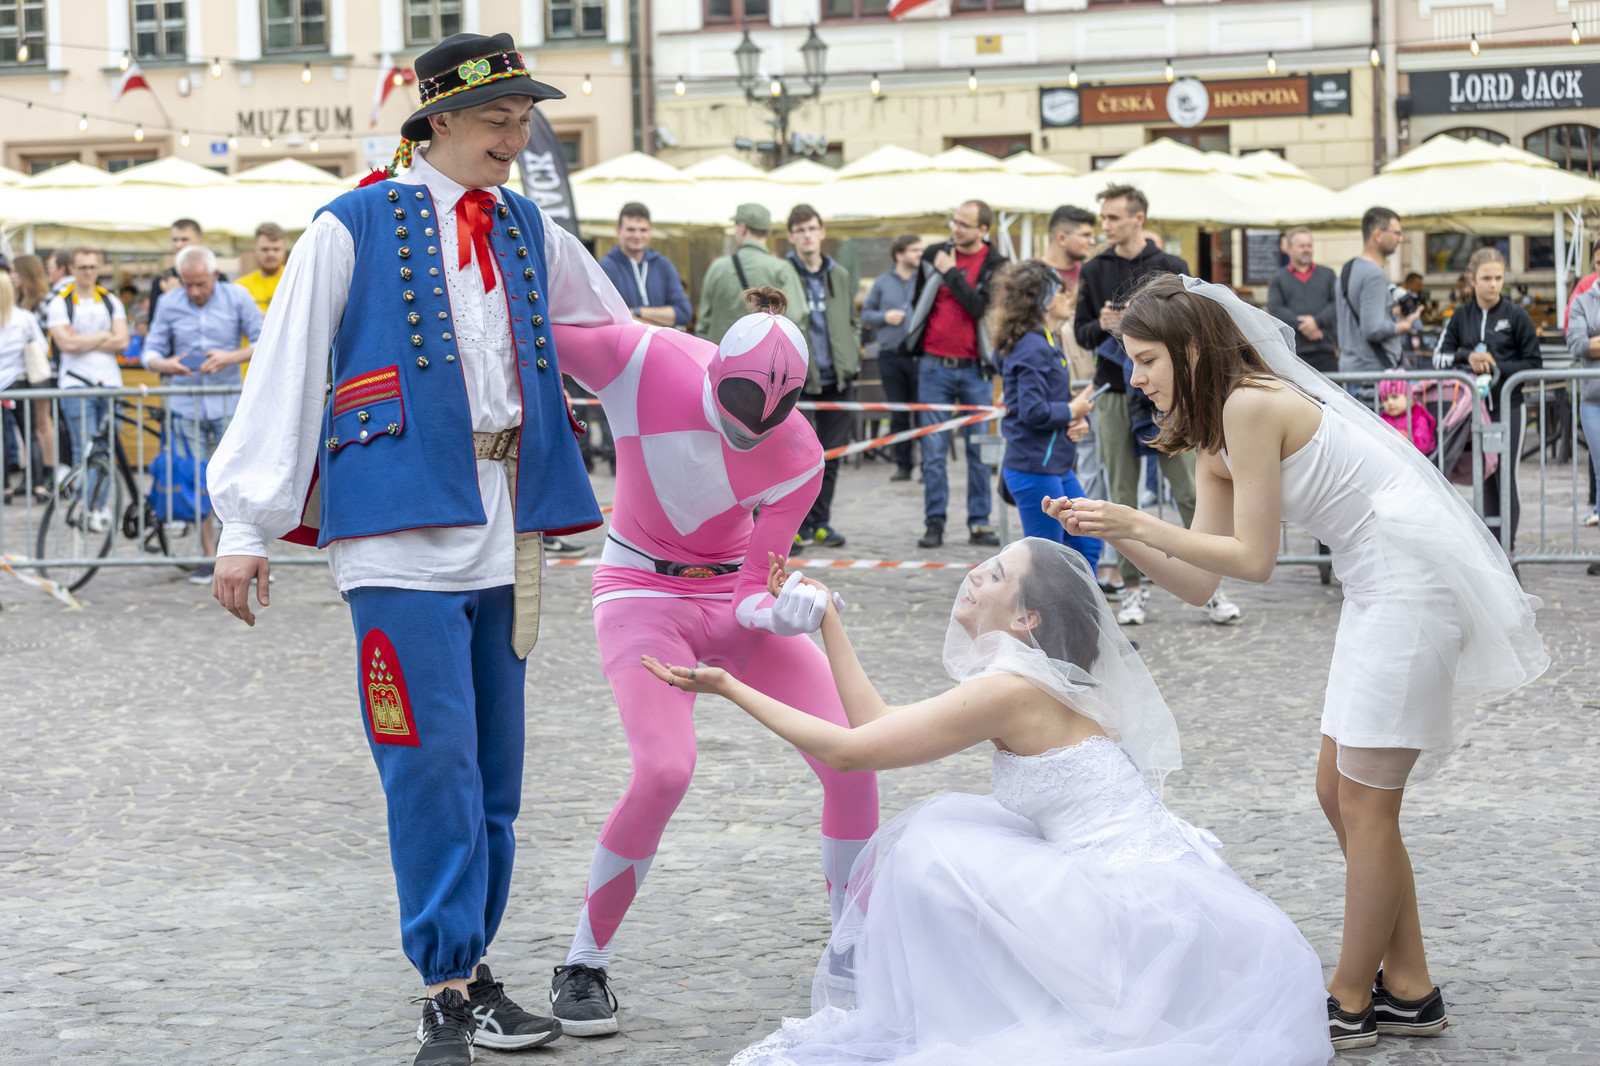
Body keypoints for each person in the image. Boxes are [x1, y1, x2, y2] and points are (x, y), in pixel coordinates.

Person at [208, 31, 629, 1066]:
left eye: (524, 119)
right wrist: (245, 524)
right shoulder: (348, 225)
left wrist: (732, 394)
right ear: (437, 120)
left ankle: (474, 973)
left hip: (506, 527)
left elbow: (617, 340)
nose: (516, 138)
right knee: (428, 766)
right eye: (497, 120)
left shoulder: (527, 225)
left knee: (494, 777)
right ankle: (443, 986)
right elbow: (286, 369)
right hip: (397, 532)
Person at [1049, 273, 1547, 1050]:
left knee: (1365, 805)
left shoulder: (1250, 405)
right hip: (1377, 586)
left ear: (1189, 350)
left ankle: (1349, 998)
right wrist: (1117, 533)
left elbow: (1252, 560)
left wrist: (1136, 521)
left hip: (1412, 587)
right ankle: (1409, 987)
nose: (1135, 377)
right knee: (1337, 793)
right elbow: (1201, 580)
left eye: (1146, 360)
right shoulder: (1215, 428)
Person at [646, 540, 1334, 1066]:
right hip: (1130, 877)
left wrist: (731, 687)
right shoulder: (1029, 677)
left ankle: (981, 1008)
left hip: (1122, 904)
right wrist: (829, 620)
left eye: (997, 574)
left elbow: (851, 752)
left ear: (1027, 617)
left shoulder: (1010, 688)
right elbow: (875, 726)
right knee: (940, 840)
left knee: (930, 853)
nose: (976, 573)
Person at [544, 288, 879, 1039]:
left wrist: (784, 609)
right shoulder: (641, 356)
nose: (749, 427)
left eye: (770, 415)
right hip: (638, 592)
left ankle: (853, 950)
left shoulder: (798, 453)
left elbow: (755, 584)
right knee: (664, 770)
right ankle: (583, 962)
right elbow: (521, 324)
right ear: (714, 369)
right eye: (737, 404)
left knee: (852, 755)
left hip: (728, 595)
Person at [1073, 185, 1238, 627]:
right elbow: (1082, 332)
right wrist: (1104, 323)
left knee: (1189, 489)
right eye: (1103, 217)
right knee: (1122, 492)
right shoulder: (1094, 269)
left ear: (1138, 218)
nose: (1105, 226)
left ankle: (1211, 584)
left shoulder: (1171, 266)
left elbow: (1195, 324)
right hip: (1114, 388)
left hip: (1168, 392)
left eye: (1112, 217)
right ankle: (1132, 588)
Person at [142, 244, 264, 583]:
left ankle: (241, 553)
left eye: (201, 284)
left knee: (235, 478)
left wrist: (230, 357)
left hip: (229, 402)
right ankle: (208, 556)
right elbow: (150, 350)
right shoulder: (168, 303)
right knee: (197, 480)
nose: (194, 291)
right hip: (185, 403)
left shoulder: (237, 296)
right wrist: (165, 364)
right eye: (188, 284)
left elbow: (265, 340)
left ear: (214, 275)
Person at [900, 199, 1005, 549]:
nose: (955, 229)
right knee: (933, 451)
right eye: (954, 222)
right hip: (933, 366)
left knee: (979, 450)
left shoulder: (996, 264)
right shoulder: (934, 254)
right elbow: (919, 301)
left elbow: (978, 307)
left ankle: (979, 522)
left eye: (963, 224)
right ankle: (934, 522)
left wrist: (951, 273)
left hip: (975, 368)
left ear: (983, 230)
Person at [1432, 247, 1540, 554]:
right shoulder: (1460, 315)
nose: (1493, 285)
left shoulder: (1516, 316)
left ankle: (1507, 550)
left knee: (1505, 476)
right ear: (1472, 279)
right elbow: (1439, 358)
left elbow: (1534, 364)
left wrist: (1496, 366)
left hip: (1508, 408)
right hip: (1472, 413)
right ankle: (1491, 550)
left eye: (1498, 278)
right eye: (1486, 278)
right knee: (1485, 475)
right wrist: (1468, 357)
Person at [992, 260, 1098, 566]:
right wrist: (1073, 409)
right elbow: (1032, 411)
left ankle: (1083, 600)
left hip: (1054, 464)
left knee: (1087, 542)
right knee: (1047, 561)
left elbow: (1045, 402)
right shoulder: (1031, 346)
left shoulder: (1040, 340)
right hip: (1035, 466)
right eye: (1061, 291)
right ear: (1046, 299)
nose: (1068, 296)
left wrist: (1076, 419)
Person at [785, 204, 861, 551]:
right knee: (794, 459)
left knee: (831, 456)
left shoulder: (839, 274)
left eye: (812, 228)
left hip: (837, 380)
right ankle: (794, 526)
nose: (807, 236)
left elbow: (852, 322)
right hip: (799, 382)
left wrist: (852, 355)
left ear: (822, 232)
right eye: (800, 230)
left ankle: (821, 522)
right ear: (791, 236)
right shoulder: (783, 273)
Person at [46, 247, 128, 532]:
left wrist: (84, 340)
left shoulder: (110, 300)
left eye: (93, 267)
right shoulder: (61, 302)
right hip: (76, 383)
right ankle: (85, 505)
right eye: (83, 267)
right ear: (73, 269)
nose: (89, 272)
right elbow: (66, 344)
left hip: (110, 382)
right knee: (85, 448)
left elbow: (122, 341)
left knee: (106, 448)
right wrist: (105, 335)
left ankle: (97, 506)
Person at [696, 204, 807, 345]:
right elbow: (796, 320)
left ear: (742, 228)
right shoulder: (782, 269)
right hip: (766, 357)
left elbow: (703, 325)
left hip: (722, 355)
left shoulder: (717, 268)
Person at [859, 234, 921, 481]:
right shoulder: (882, 283)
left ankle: (927, 467)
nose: (919, 254)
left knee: (925, 412)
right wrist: (884, 317)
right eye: (914, 250)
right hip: (890, 357)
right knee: (898, 413)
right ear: (899, 254)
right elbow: (865, 315)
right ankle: (903, 466)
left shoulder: (924, 280)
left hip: (919, 357)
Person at [1337, 207, 1423, 377]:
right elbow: (1373, 329)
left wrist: (1390, 313)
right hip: (1372, 375)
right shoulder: (1374, 274)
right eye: (1397, 233)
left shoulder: (1347, 269)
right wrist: (1404, 325)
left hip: (1351, 369)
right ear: (1377, 234)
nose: (1401, 239)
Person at [9, 253, 58, 500]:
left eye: (15, 271)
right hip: (25, 372)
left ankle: (48, 472)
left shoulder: (45, 302)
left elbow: (49, 341)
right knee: (31, 426)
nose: (11, 276)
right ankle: (33, 473)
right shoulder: (21, 301)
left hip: (41, 371)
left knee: (42, 423)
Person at [598, 202, 692, 329]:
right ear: (618, 230)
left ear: (650, 231)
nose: (637, 235)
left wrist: (637, 312)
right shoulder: (604, 268)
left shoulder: (663, 265)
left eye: (643, 230)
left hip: (659, 342)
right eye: (631, 230)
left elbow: (684, 313)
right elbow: (607, 317)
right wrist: (661, 323)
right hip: (624, 342)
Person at [0, 271, 50, 505]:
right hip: (19, 381)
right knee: (30, 433)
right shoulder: (24, 318)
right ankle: (38, 484)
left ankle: (5, 487)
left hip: (4, 383)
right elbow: (41, 347)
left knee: (2, 438)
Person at [1267, 227, 1339, 375]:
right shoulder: (1278, 279)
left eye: (1309, 245)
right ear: (1289, 249)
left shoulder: (1328, 274)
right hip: (1294, 353)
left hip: (1325, 350)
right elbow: (1276, 308)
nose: (1306, 249)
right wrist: (1305, 325)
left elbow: (1336, 304)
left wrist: (1317, 322)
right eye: (1301, 246)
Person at [1039, 204, 1097, 381]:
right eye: (1085, 235)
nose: (1092, 242)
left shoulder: (1090, 275)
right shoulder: (1030, 277)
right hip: (1041, 373)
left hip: (1084, 379)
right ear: (1062, 238)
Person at [1565, 272, 1600, 531]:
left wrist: (1594, 343)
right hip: (1593, 398)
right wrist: (1588, 344)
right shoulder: (1583, 300)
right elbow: (1577, 344)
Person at [235, 221, 288, 315]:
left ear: (284, 250)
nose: (271, 254)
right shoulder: (241, 286)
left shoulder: (295, 281)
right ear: (255, 250)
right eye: (265, 249)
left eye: (276, 249)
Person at [1377, 380, 1436, 455]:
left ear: (1408, 398)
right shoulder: (1383, 419)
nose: (1390, 402)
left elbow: (1423, 444)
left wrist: (1408, 440)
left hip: (1411, 458)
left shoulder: (1418, 417)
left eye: (1395, 397)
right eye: (1385, 399)